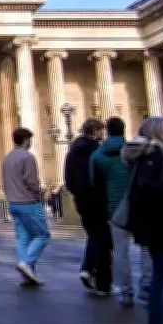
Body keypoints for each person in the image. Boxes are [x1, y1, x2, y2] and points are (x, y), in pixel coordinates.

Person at [122, 117, 163, 324]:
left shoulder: (146, 154)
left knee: (161, 275)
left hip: (154, 226)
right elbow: (149, 188)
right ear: (158, 132)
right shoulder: (153, 156)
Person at [91, 116, 151, 306]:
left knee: (121, 252)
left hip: (115, 209)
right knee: (146, 249)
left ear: (107, 131)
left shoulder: (98, 156)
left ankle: (126, 293)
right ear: (124, 129)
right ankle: (146, 288)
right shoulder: (138, 152)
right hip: (139, 206)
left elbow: (94, 183)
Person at [64, 118, 113, 295]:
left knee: (94, 235)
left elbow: (68, 180)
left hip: (82, 202)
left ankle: (88, 269)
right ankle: (96, 277)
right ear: (95, 131)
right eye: (101, 130)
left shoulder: (72, 151)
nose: (103, 134)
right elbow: (102, 176)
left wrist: (78, 195)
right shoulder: (97, 151)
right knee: (102, 238)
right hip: (98, 200)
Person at [3, 127, 50, 286]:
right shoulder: (27, 157)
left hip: (13, 202)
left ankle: (27, 275)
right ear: (25, 140)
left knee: (22, 238)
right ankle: (27, 263)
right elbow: (32, 181)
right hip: (28, 202)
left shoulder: (7, 158)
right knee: (42, 235)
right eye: (30, 140)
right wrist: (38, 195)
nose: (31, 143)